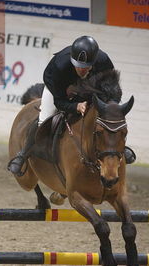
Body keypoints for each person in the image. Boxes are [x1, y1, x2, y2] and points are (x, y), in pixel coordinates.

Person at [8, 36, 135, 176]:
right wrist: (76, 106)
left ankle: (118, 149)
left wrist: (110, 108)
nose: (81, 69)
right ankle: (23, 154)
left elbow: (113, 91)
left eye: (85, 67)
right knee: (45, 118)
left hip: (87, 90)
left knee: (107, 119)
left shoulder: (103, 61)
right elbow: (59, 101)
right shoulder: (60, 65)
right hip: (58, 88)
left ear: (94, 61)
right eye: (78, 65)